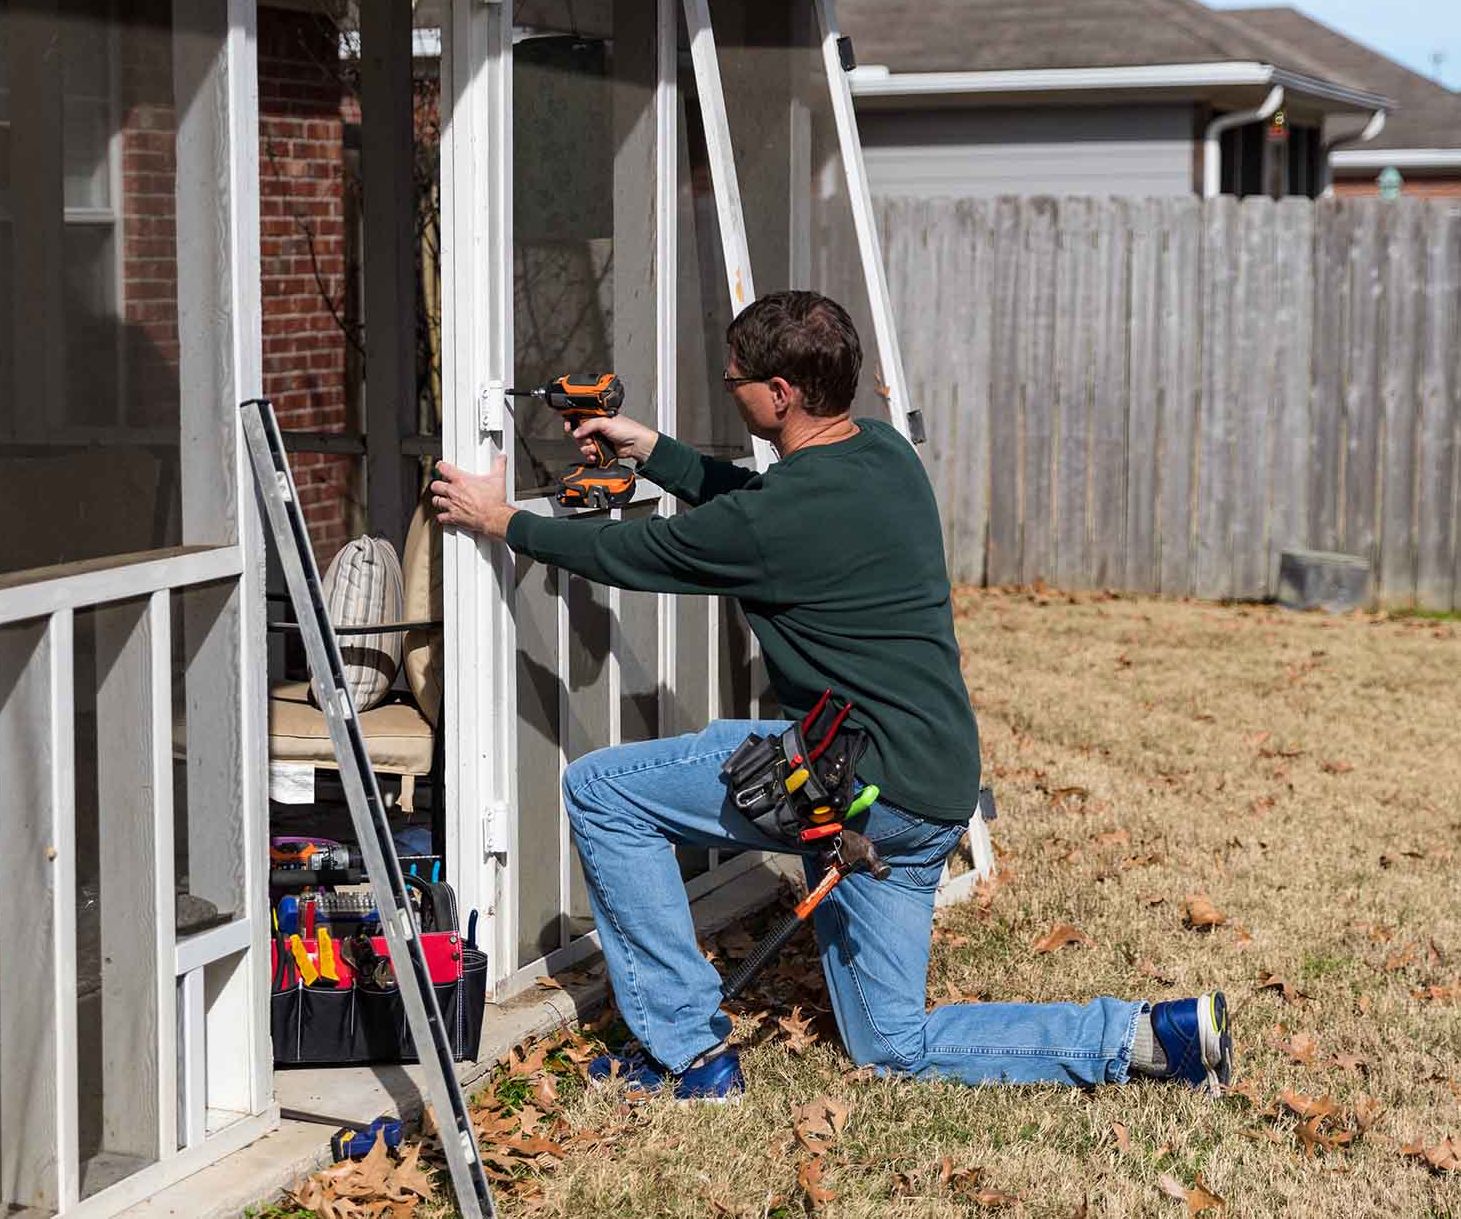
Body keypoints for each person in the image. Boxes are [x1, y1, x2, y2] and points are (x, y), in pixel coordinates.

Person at [428, 290, 1230, 1101]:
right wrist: (653, 450)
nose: (729, 389)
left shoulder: (776, 519)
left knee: (601, 789)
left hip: (857, 792)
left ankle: (688, 1053)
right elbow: (756, 502)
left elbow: (635, 548)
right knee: (889, 1043)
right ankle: (1146, 1036)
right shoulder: (883, 453)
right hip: (932, 789)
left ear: (779, 394)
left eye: (734, 379)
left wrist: (503, 520)